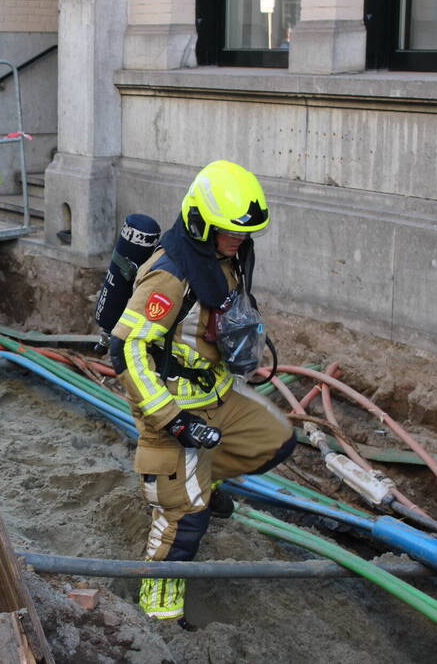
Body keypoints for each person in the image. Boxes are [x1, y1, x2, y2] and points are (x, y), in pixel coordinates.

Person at [108, 160, 296, 626]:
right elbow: (128, 349)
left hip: (216, 396)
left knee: (275, 439)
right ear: (200, 223)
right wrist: (171, 418)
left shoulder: (221, 255)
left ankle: (198, 484)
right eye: (230, 233)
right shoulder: (171, 274)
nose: (240, 242)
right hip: (175, 411)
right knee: (182, 522)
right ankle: (159, 616)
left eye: (244, 235)